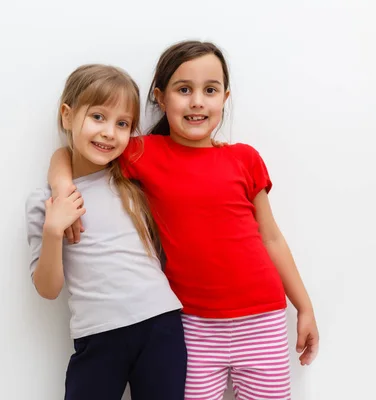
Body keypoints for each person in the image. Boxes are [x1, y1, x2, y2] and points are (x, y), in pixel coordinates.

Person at [49, 41, 319, 400]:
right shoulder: (141, 151)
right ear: (161, 98)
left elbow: (271, 238)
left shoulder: (244, 158)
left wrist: (304, 306)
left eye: (210, 90)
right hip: (191, 325)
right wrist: (62, 187)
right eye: (184, 90)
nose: (197, 101)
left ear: (225, 97)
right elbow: (67, 151)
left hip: (263, 320)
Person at [25, 64, 187, 400]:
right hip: (97, 336)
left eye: (122, 123)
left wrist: (61, 179)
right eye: (98, 117)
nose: (110, 132)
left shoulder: (132, 177)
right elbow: (48, 288)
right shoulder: (46, 201)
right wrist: (54, 229)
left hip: (161, 325)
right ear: (67, 116)